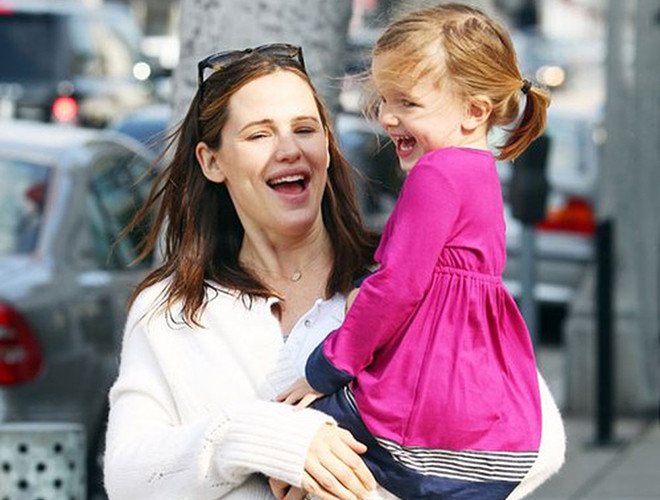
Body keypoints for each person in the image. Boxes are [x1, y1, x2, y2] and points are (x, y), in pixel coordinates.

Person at [278, 4, 565, 500]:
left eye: (407, 103)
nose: (388, 117)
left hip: (419, 399)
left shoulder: (437, 173)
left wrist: (328, 366)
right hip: (474, 408)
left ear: (475, 111)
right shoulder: (480, 172)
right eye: (384, 99)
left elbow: (398, 286)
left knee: (289, 436)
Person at [103, 43, 382, 500]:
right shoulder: (169, 311)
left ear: (328, 147)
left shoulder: (399, 282)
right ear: (212, 162)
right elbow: (126, 480)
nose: (289, 149)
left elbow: (509, 447)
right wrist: (262, 437)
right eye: (259, 135)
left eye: (305, 129)